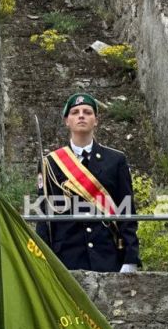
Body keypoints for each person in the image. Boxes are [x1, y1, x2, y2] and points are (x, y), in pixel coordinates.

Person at [36, 93, 140, 273]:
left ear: (96, 120)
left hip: (108, 256)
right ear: (67, 121)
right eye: (75, 112)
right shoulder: (50, 163)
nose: (81, 116)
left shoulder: (116, 160)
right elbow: (44, 214)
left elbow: (127, 210)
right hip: (66, 258)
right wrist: (42, 260)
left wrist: (130, 258)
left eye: (87, 112)